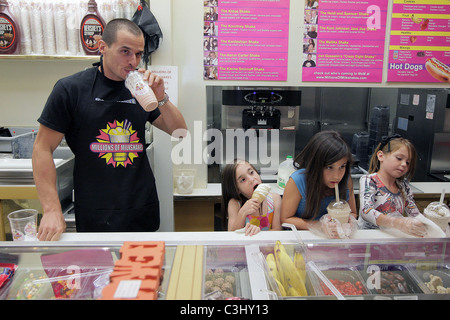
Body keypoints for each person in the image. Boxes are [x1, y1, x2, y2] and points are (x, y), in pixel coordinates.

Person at [32, 18, 187, 241]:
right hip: (96, 211)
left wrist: (161, 97)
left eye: (138, 53)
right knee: (99, 275)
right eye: (125, 51)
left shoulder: (141, 89)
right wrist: (51, 209)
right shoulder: (71, 89)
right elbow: (42, 149)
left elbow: (180, 131)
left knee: (142, 275)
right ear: (102, 46)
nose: (133, 61)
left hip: (140, 207)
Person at [281, 131, 357, 232]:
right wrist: (320, 226)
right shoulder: (298, 181)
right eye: (330, 167)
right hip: (303, 238)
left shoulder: (346, 179)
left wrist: (348, 222)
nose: (337, 176)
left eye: (342, 166)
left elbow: (353, 213)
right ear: (315, 165)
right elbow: (286, 219)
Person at [358, 135, 427, 237]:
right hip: (369, 239)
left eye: (408, 162)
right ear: (381, 156)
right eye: (399, 158)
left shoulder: (404, 187)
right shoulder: (370, 180)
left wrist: (428, 223)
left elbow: (414, 214)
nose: (404, 164)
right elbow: (366, 211)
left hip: (392, 239)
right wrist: (398, 223)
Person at [221, 160, 282, 236]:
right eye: (243, 180)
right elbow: (231, 234)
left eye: (251, 173)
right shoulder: (235, 204)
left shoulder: (275, 199)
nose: (251, 179)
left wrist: (259, 232)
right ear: (237, 189)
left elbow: (277, 230)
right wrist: (242, 213)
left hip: (267, 246)